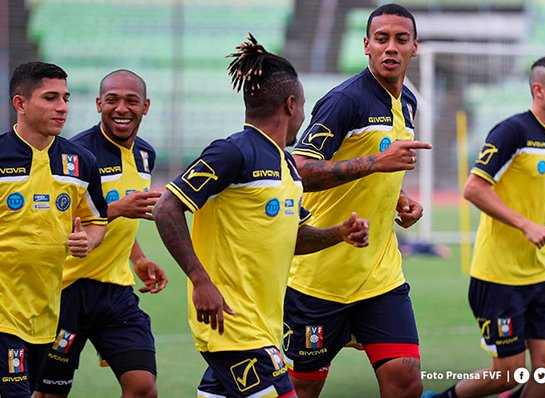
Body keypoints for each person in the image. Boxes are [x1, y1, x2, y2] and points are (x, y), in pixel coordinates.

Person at [152, 34, 369, 398]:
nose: (303, 113)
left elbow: (293, 238)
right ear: (290, 105)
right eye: (302, 106)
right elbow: (166, 207)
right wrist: (200, 280)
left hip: (262, 326)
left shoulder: (287, 164)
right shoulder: (232, 152)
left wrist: (339, 233)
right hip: (234, 328)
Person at [282, 4, 432, 398]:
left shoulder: (409, 102)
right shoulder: (344, 100)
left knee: (406, 381)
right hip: (319, 279)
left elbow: (373, 169)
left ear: (415, 47)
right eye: (381, 39)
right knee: (302, 391)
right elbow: (298, 169)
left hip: (381, 276)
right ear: (366, 45)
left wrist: (398, 196)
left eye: (401, 39)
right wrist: (377, 162)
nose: (391, 48)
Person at [426, 57, 545, 398]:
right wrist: (525, 225)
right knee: (509, 373)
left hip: (541, 273)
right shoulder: (512, 131)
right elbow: (474, 188)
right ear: (538, 89)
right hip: (499, 275)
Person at [34, 70, 167, 398]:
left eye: (131, 101)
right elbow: (50, 222)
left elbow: (122, 221)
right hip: (66, 291)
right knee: (50, 393)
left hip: (115, 291)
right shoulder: (74, 155)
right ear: (98, 104)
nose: (121, 108)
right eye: (112, 100)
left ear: (145, 106)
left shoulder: (145, 154)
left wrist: (138, 258)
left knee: (142, 387)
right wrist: (119, 208)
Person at [0, 61, 107, 397]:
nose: (62, 108)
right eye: (50, 98)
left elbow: (96, 222)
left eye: (65, 98)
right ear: (20, 104)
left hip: (45, 315)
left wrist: (86, 242)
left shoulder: (81, 162)